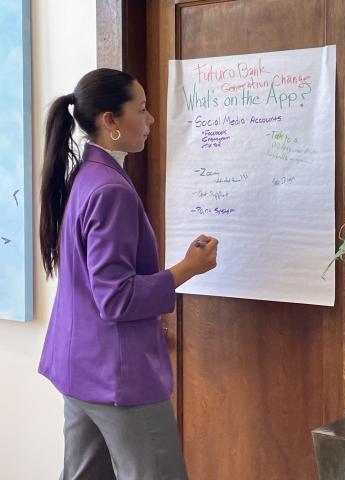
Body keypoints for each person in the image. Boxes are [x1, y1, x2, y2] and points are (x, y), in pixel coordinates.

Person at [38, 68, 218, 480]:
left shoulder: (85, 178)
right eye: (141, 108)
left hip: (79, 370)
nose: (152, 118)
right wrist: (185, 270)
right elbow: (115, 297)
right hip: (117, 377)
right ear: (110, 121)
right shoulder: (111, 190)